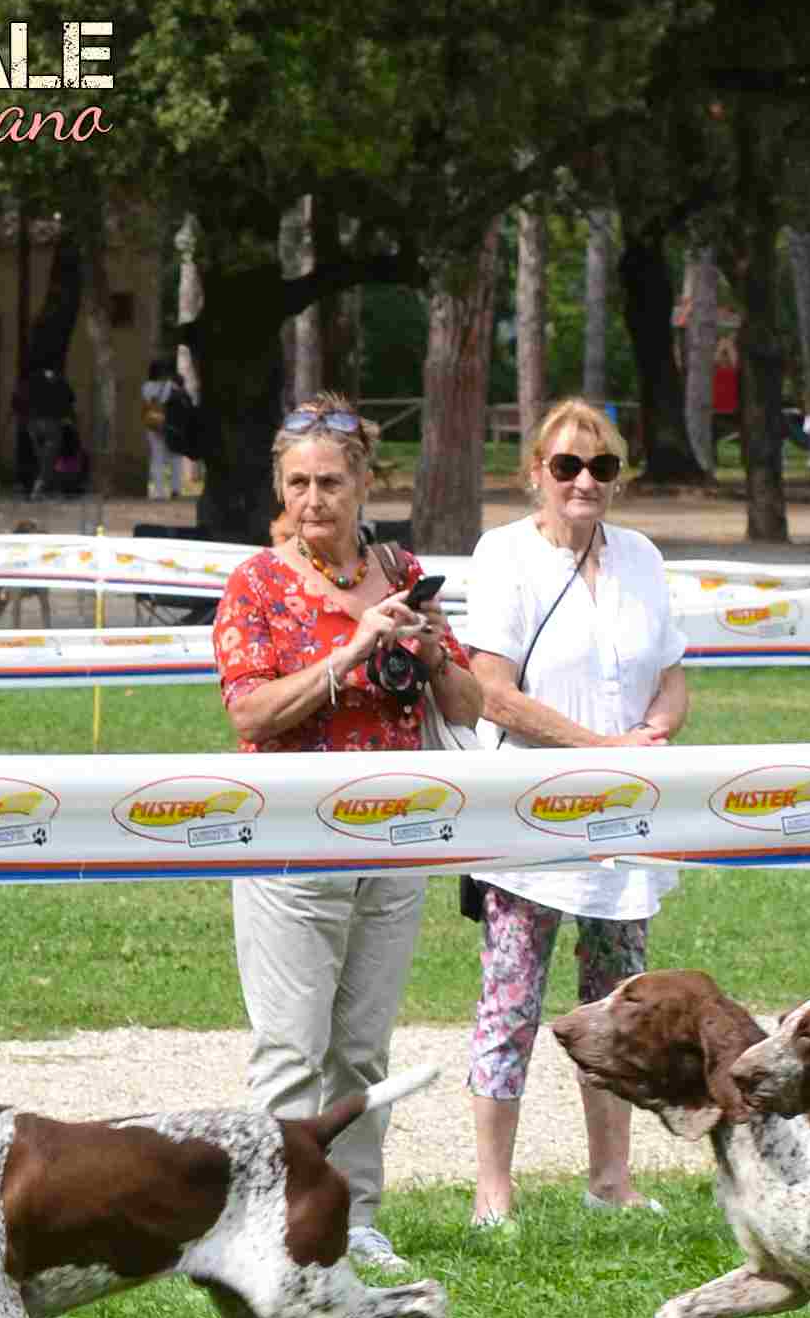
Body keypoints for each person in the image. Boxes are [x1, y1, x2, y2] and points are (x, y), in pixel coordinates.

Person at [212, 394, 483, 1271]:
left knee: (362, 1047)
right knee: (292, 1047)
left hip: (395, 836)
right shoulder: (256, 583)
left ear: (365, 482)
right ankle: (278, 1216)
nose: (314, 500)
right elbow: (249, 707)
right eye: (297, 483)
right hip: (292, 842)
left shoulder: (400, 566)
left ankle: (358, 1213)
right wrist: (349, 652)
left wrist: (430, 644)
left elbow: (470, 705)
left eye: (331, 481)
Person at [462, 397, 690, 1230]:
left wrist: (657, 727)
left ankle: (611, 1178)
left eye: (600, 467)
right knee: (511, 1002)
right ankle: (494, 1190)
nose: (583, 481)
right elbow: (492, 689)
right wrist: (598, 748)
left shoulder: (641, 557)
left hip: (626, 824)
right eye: (565, 466)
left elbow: (671, 673)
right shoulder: (504, 556)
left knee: (620, 1003)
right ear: (536, 476)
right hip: (529, 820)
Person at [25, 366, 74, 497]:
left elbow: (23, 398)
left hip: (33, 424)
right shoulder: (60, 381)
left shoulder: (33, 379)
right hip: (51, 423)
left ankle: (46, 489)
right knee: (48, 460)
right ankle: (38, 489)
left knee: (42, 459)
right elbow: (69, 399)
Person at [141, 357, 182, 502]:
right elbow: (180, 400)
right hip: (168, 424)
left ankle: (158, 492)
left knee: (156, 458)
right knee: (175, 458)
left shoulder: (146, 387)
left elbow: (146, 405)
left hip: (152, 425)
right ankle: (175, 489)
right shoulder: (171, 386)